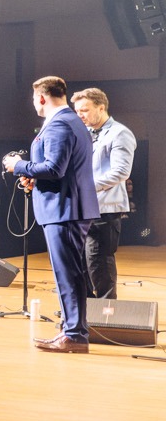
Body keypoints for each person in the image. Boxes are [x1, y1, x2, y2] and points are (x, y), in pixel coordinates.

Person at [3, 76, 100, 353]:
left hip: (65, 208)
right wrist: (35, 178)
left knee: (68, 274)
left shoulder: (59, 124)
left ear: (42, 98)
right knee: (71, 273)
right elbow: (60, 169)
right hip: (67, 206)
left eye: (35, 99)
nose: (34, 104)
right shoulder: (70, 121)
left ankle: (75, 335)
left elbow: (55, 168)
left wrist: (18, 165)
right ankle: (72, 330)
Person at [74, 88, 136, 299]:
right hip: (81, 207)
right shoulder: (85, 134)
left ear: (101, 107)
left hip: (104, 209)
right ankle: (84, 316)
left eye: (84, 110)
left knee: (98, 262)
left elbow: (120, 172)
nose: (80, 115)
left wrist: (84, 187)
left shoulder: (120, 133)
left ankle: (107, 315)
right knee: (80, 263)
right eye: (77, 111)